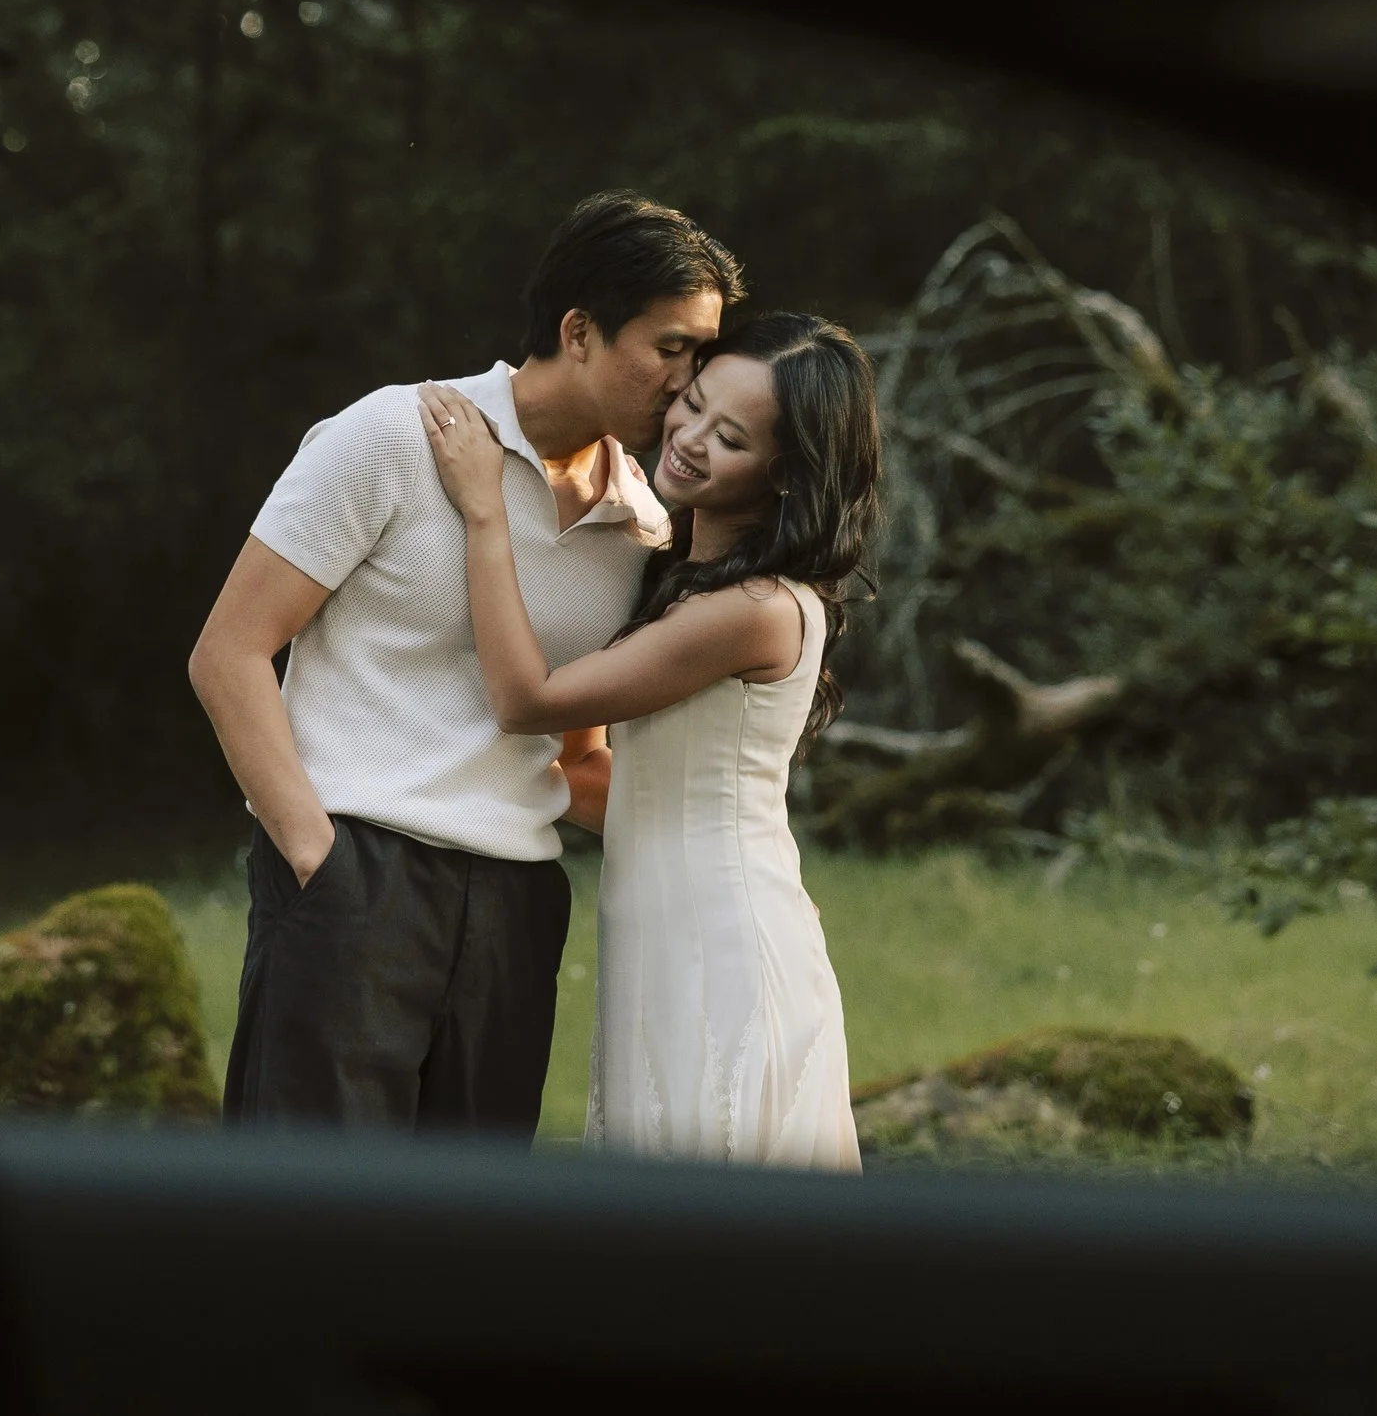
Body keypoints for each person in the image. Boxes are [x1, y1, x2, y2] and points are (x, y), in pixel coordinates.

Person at [189, 192, 744, 1132]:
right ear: (578, 329)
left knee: (461, 1234)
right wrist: (313, 852)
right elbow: (229, 653)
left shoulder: (641, 522)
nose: (688, 383)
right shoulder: (393, 437)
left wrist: (733, 853)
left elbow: (578, 754)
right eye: (671, 348)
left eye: (703, 355)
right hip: (355, 872)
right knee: (307, 1224)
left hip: (518, 904)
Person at [417, 310, 881, 1170]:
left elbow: (527, 701)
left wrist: (488, 513)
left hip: (719, 943)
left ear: (787, 476)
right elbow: (594, 769)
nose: (691, 437)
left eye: (731, 436)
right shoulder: (682, 583)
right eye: (693, 401)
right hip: (665, 931)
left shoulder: (753, 612)